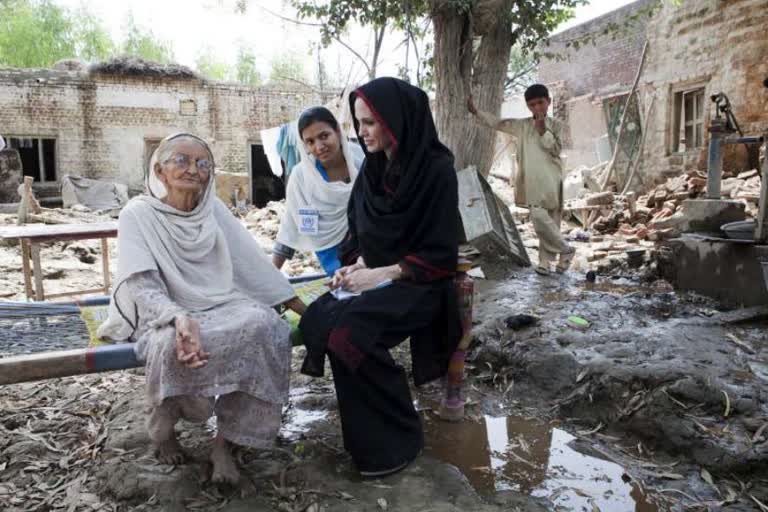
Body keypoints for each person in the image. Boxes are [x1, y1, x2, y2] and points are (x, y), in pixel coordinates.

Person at [97, 133, 306, 485]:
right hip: (164, 308)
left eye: (202, 163)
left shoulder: (214, 211)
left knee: (266, 327)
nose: (192, 169)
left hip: (222, 301)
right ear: (160, 171)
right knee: (167, 347)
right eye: (181, 160)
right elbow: (143, 285)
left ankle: (225, 443)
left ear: (210, 174)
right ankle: (165, 434)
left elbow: (252, 264)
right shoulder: (138, 214)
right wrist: (179, 317)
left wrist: (300, 307)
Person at [299, 77, 462, 477]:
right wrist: (354, 266)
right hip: (379, 277)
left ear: (398, 119)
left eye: (371, 122)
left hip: (420, 284)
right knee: (318, 319)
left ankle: (398, 438)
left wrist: (381, 274)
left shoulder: (437, 171)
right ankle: (368, 438)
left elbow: (441, 253)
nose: (363, 132)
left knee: (349, 336)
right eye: (359, 123)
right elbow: (359, 235)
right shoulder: (372, 172)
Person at [468, 84, 575, 276]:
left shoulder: (556, 125)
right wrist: (477, 112)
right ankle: (565, 249)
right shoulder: (522, 125)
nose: (537, 108)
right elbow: (498, 123)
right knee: (538, 216)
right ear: (528, 106)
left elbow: (556, 150)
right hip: (533, 181)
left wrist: (543, 130)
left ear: (548, 102)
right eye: (532, 105)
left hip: (551, 179)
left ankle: (547, 263)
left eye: (540, 103)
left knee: (551, 221)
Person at [273, 107, 364, 276]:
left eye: (324, 136)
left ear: (337, 130)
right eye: (310, 141)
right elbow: (291, 225)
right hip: (332, 260)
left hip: (372, 255)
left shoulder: (363, 161)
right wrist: (270, 276)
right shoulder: (301, 177)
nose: (319, 147)